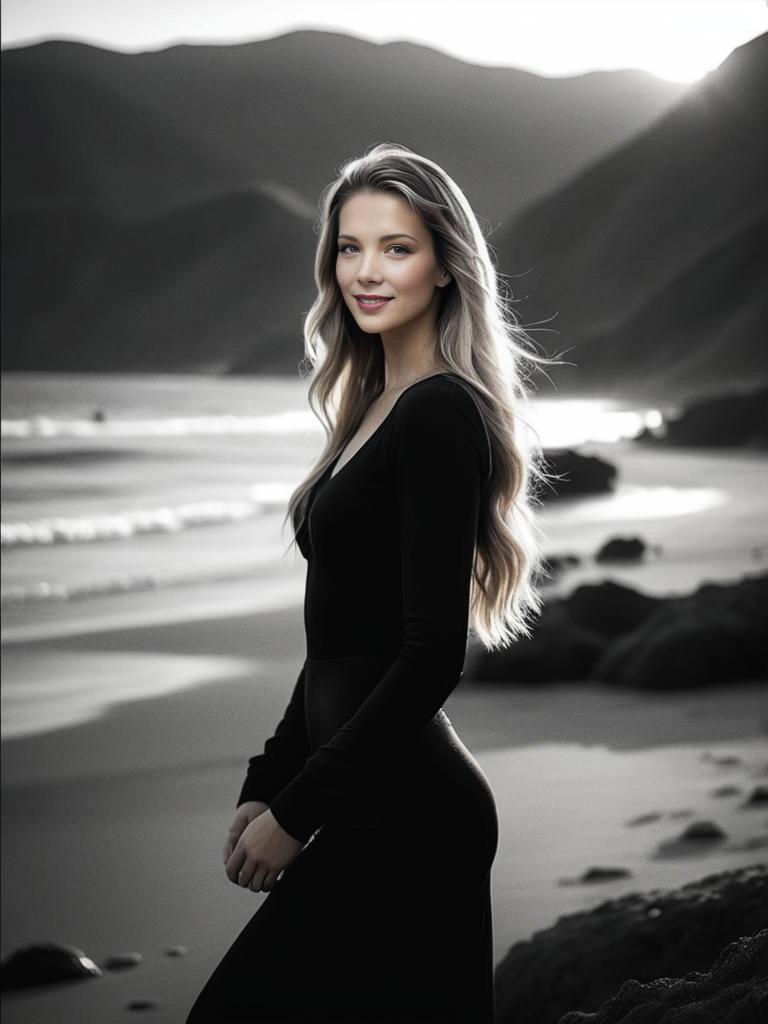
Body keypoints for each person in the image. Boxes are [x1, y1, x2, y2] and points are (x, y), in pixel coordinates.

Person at [186, 142, 557, 1023]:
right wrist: (267, 780)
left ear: (444, 266)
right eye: (350, 247)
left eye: (397, 247)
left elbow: (428, 656)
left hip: (411, 819)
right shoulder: (372, 408)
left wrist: (300, 810)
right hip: (365, 795)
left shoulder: (438, 411)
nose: (367, 270)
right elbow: (343, 640)